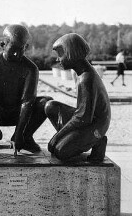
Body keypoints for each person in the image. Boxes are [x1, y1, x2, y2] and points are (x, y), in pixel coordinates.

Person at [0, 24, 52, 153]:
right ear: (3, 45)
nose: (17, 54)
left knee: (46, 103)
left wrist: (19, 134)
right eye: (13, 49)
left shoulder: (31, 69)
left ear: (25, 47)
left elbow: (27, 101)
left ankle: (25, 135)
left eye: (21, 49)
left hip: (18, 113)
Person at [45, 33, 111, 162]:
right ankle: (72, 139)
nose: (58, 60)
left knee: (60, 152)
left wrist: (57, 136)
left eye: (60, 54)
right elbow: (81, 114)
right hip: (88, 118)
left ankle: (98, 141)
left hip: (95, 124)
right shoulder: (83, 74)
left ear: (71, 53)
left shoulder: (86, 79)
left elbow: (83, 118)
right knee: (50, 106)